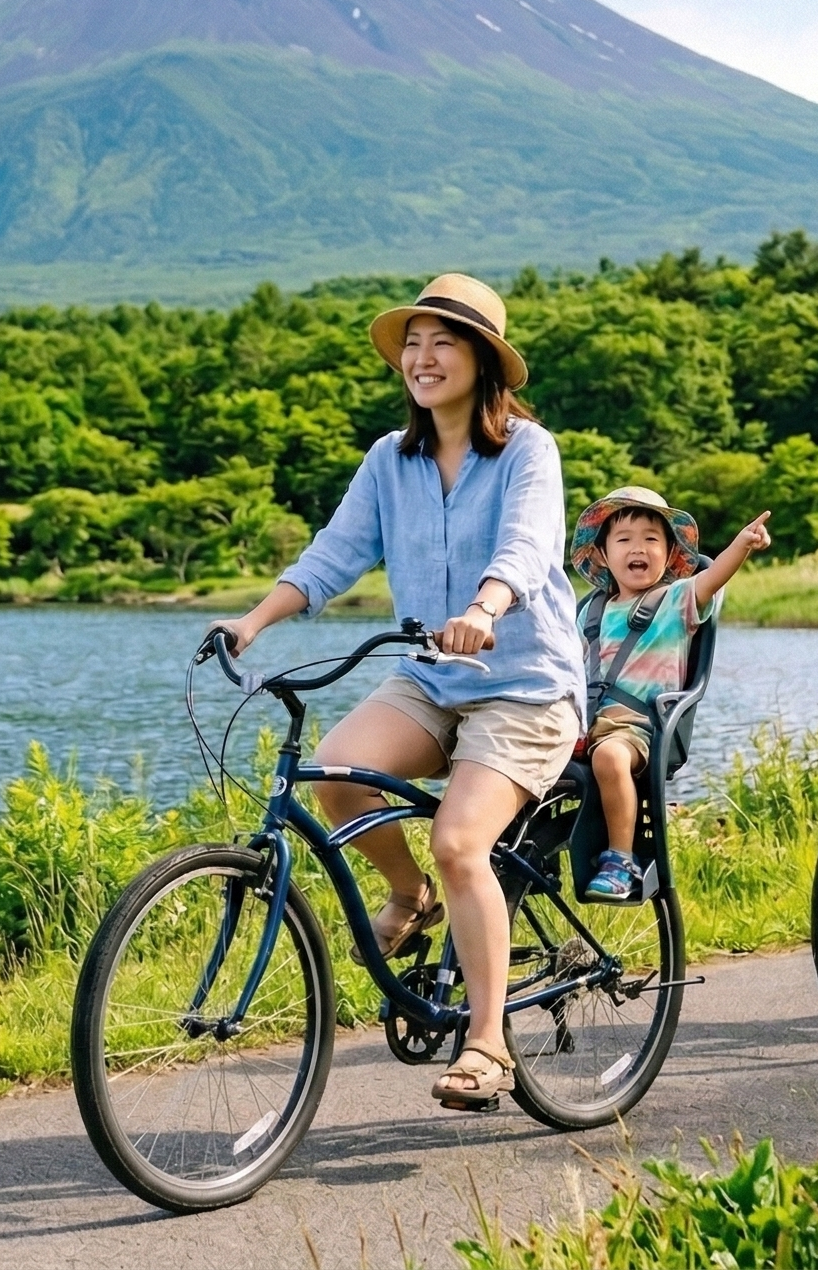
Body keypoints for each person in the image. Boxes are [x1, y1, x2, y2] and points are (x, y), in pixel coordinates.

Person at [207, 273, 581, 1112]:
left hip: (523, 686)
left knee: (460, 841)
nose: (423, 357)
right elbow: (334, 554)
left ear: (484, 360)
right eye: (412, 342)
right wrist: (252, 621)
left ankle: (487, 1045)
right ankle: (408, 897)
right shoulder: (391, 458)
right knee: (336, 770)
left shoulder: (529, 450)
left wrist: (485, 608)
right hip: (429, 675)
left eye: (443, 341)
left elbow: (526, 546)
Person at [569, 487, 771, 901]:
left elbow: (713, 577)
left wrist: (741, 545)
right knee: (515, 750)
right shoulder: (589, 611)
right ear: (604, 554)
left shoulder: (677, 600)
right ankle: (518, 855)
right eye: (624, 540)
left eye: (650, 539)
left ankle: (620, 859)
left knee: (609, 755)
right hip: (582, 725)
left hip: (640, 728)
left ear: (669, 552)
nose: (637, 548)